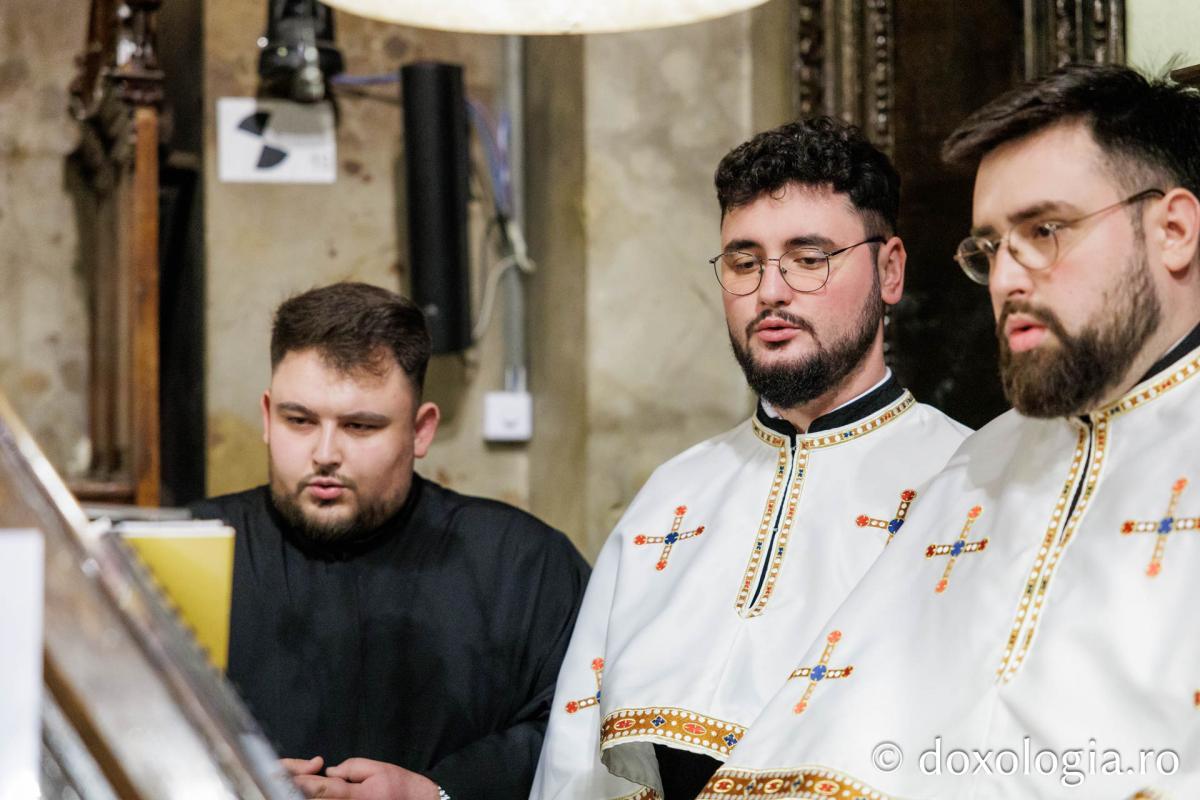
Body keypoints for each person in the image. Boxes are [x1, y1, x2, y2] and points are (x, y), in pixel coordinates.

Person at [697, 64, 1200, 800]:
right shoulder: (981, 466)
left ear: (1174, 231)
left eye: (1045, 231)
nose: (1006, 280)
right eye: (990, 248)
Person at [530, 118, 969, 800]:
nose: (770, 291)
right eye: (744, 262)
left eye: (809, 257)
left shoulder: (967, 485)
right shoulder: (673, 495)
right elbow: (574, 753)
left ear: (889, 271)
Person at [190, 282, 590, 800]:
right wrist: (220, 781)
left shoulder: (521, 564)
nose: (325, 453)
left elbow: (582, 727)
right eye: (299, 421)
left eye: (360, 426)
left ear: (420, 431)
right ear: (267, 417)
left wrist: (439, 792)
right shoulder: (191, 548)